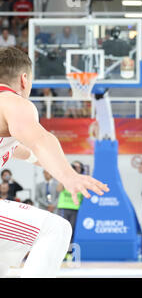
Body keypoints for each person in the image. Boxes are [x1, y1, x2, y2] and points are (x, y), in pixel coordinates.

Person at [0, 46, 108, 277]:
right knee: (55, 229)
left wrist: (42, 161)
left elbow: (21, 149)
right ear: (24, 79)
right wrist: (69, 176)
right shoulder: (12, 101)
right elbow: (41, 139)